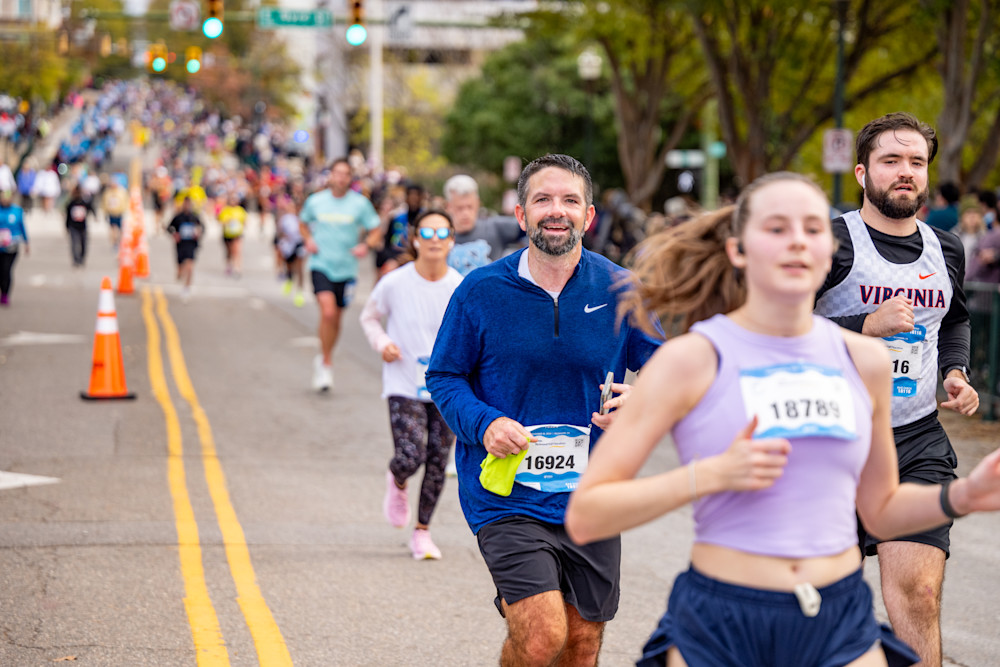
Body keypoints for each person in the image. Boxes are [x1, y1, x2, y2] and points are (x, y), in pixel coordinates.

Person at [565, 171, 1000, 667]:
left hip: (838, 621)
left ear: (828, 251)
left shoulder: (865, 361)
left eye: (813, 229)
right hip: (723, 622)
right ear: (738, 250)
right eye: (776, 228)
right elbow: (587, 513)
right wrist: (709, 475)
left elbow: (879, 510)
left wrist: (964, 496)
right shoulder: (692, 359)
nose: (797, 241)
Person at [426, 154, 662, 666]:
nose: (557, 210)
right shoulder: (480, 291)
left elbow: (670, 368)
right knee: (540, 637)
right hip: (507, 493)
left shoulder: (622, 289)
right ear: (521, 214)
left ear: (589, 216)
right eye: (543, 200)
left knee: (581, 644)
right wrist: (485, 423)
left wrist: (643, 401)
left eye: (570, 200)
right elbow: (444, 375)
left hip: (593, 493)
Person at [814, 112, 979, 667]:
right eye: (891, 161)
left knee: (919, 594)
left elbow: (954, 320)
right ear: (862, 173)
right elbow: (778, 329)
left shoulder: (946, 249)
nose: (906, 171)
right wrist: (865, 325)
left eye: (916, 162)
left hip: (914, 440)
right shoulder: (830, 242)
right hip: (828, 442)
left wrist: (956, 372)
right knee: (817, 609)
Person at [360, 210, 463, 560]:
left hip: (446, 385)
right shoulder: (395, 282)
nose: (435, 239)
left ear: (451, 240)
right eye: (427, 232)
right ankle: (398, 478)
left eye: (442, 233)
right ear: (415, 239)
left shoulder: (460, 287)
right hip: (404, 380)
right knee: (410, 455)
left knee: (437, 460)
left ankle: (422, 532)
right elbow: (369, 317)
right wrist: (383, 343)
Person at [299, 158, 381, 392]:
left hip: (346, 269)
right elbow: (303, 223)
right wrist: (308, 239)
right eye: (337, 173)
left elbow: (375, 229)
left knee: (336, 318)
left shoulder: (360, 204)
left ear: (350, 177)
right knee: (327, 312)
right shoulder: (316, 201)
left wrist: (366, 245)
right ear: (330, 175)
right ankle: (326, 363)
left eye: (346, 174)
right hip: (321, 264)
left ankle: (326, 355)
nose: (341, 178)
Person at [443, 174, 524, 276]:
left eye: (470, 207)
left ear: (478, 203)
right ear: (448, 207)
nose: (465, 213)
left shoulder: (495, 227)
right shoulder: (439, 235)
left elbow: (531, 226)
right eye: (460, 208)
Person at [166, 197, 204, 302]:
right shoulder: (178, 217)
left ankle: (187, 287)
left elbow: (203, 228)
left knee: (190, 266)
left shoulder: (195, 217)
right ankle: (180, 274)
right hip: (181, 245)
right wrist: (174, 234)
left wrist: (198, 233)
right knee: (180, 270)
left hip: (191, 245)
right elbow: (169, 228)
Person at [275, 194, 306, 306]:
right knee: (289, 266)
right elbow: (280, 232)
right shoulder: (286, 218)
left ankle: (299, 292)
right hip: (288, 246)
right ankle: (289, 279)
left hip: (300, 245)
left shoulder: (304, 218)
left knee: (300, 268)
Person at [0, 188, 28, 306]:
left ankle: (5, 294)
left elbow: (22, 227)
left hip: (12, 247)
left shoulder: (17, 211)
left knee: (6, 270)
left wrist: (26, 242)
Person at [65, 184, 95, 268]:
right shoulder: (71, 203)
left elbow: (91, 208)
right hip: (73, 226)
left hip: (82, 226)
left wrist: (94, 215)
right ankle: (76, 259)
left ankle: (81, 258)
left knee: (83, 243)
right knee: (74, 243)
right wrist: (67, 226)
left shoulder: (84, 203)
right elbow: (68, 216)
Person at [218, 191, 247, 278]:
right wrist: (228, 222)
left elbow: (245, 221)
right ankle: (229, 265)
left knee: (237, 251)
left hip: (237, 234)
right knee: (229, 251)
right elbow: (221, 221)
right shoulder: (225, 210)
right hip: (227, 234)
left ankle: (237, 267)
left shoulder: (240, 210)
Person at [101, 177, 128, 248]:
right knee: (113, 228)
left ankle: (120, 240)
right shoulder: (108, 192)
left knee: (120, 228)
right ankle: (114, 241)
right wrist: (105, 211)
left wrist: (124, 209)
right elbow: (104, 202)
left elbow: (125, 201)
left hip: (119, 212)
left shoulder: (121, 192)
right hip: (111, 212)